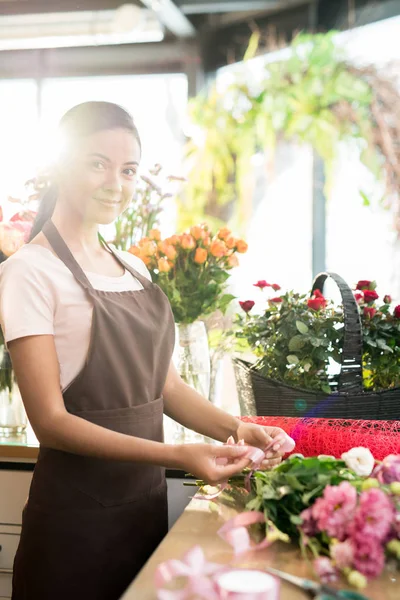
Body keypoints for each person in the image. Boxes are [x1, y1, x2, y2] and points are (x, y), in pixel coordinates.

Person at [0, 101, 287, 600]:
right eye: (97, 163)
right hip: (75, 528)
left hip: (143, 514)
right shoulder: (30, 270)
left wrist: (238, 429)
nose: (116, 182)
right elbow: (49, 420)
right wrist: (176, 454)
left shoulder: (133, 266)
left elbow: (164, 385)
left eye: (128, 169)